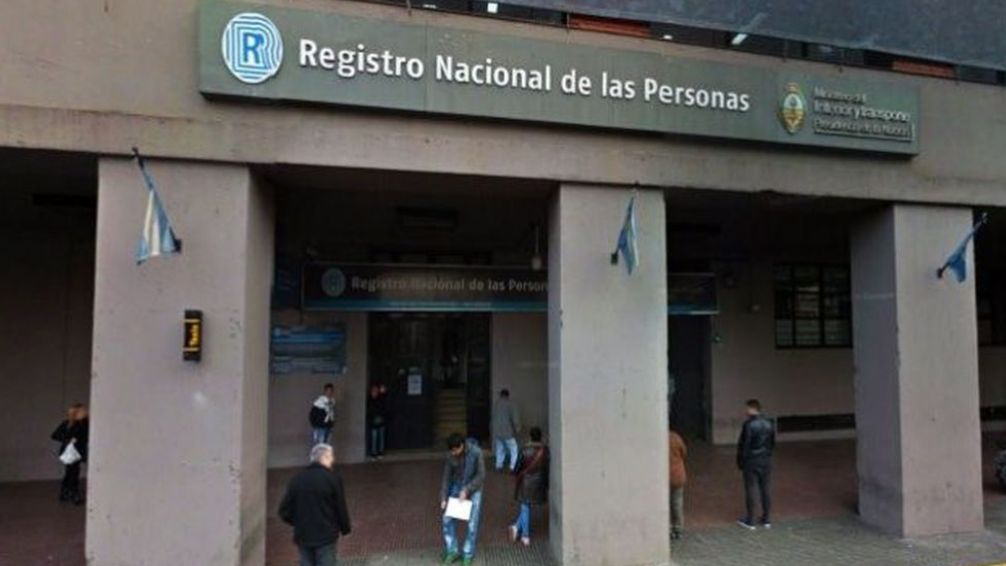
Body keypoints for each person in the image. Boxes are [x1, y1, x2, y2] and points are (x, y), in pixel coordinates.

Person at [278, 443, 352, 566]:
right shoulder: (332, 479)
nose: (333, 460)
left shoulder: (297, 479)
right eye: (331, 457)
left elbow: (284, 510)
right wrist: (345, 528)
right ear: (325, 457)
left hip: (303, 534)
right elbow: (340, 507)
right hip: (326, 534)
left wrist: (298, 522)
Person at [440, 433, 486, 566]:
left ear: (462, 446)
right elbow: (446, 477)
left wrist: (467, 490)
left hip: (474, 488)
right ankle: (452, 550)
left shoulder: (476, 452)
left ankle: (468, 553)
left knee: (472, 523)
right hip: (457, 486)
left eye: (455, 450)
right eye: (451, 451)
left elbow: (481, 475)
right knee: (447, 518)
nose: (453, 453)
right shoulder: (450, 456)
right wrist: (444, 497)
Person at [736, 399, 775, 530]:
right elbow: (772, 443)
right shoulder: (769, 423)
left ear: (751, 409)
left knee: (751, 488)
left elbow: (744, 445)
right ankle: (766, 519)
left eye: (747, 408)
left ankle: (750, 520)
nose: (745, 411)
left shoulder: (748, 424)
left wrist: (741, 461)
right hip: (766, 459)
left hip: (752, 460)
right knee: (766, 488)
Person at [509, 426, 549, 547]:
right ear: (540, 437)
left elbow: (517, 467)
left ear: (530, 437)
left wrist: (516, 474)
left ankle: (525, 536)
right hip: (539, 482)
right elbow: (547, 468)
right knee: (526, 507)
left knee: (525, 506)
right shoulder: (545, 450)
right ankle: (516, 526)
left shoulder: (524, 450)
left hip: (525, 482)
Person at [51, 403, 89, 505]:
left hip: (79, 451)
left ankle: (66, 493)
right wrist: (68, 440)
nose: (85, 412)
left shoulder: (85, 424)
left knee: (72, 472)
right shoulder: (67, 423)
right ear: (76, 412)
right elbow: (55, 435)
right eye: (82, 410)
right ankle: (72, 494)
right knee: (72, 472)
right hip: (70, 452)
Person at [492, 389, 521, 472]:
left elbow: (493, 417)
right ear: (508, 395)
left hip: (497, 431)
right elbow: (515, 419)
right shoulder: (511, 404)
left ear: (501, 395)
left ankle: (498, 465)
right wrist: (517, 429)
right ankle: (512, 466)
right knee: (514, 449)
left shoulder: (496, 404)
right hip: (508, 431)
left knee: (500, 449)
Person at [669, 428, 688, 540]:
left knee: (666, 504)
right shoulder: (675, 437)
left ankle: (669, 528)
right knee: (677, 503)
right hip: (678, 474)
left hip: (664, 476)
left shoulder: (658, 439)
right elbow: (684, 452)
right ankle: (678, 528)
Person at [366, 384, 389, 459]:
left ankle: (380, 452)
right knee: (374, 438)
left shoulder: (381, 399)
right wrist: (373, 418)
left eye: (376, 391)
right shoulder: (369, 400)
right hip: (373, 422)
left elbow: (384, 408)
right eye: (373, 391)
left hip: (381, 421)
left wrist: (381, 417)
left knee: (381, 437)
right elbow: (369, 411)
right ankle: (374, 453)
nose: (375, 392)